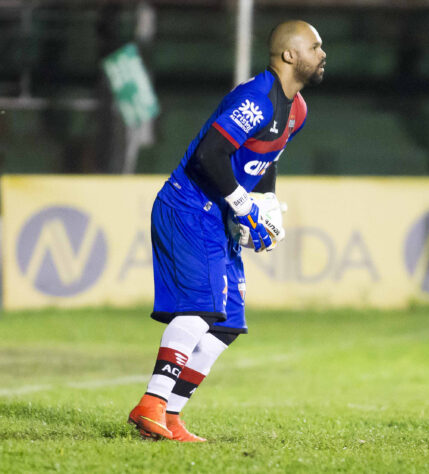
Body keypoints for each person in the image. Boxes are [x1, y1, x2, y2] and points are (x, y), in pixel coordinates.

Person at [128, 20, 326, 442]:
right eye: (314, 46)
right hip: (189, 206)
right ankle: (151, 403)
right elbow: (208, 156)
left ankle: (171, 413)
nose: (322, 53)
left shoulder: (298, 110)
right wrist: (242, 205)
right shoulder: (256, 98)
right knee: (201, 310)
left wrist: (266, 204)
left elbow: (265, 160)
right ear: (289, 55)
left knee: (226, 325)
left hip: (217, 214)